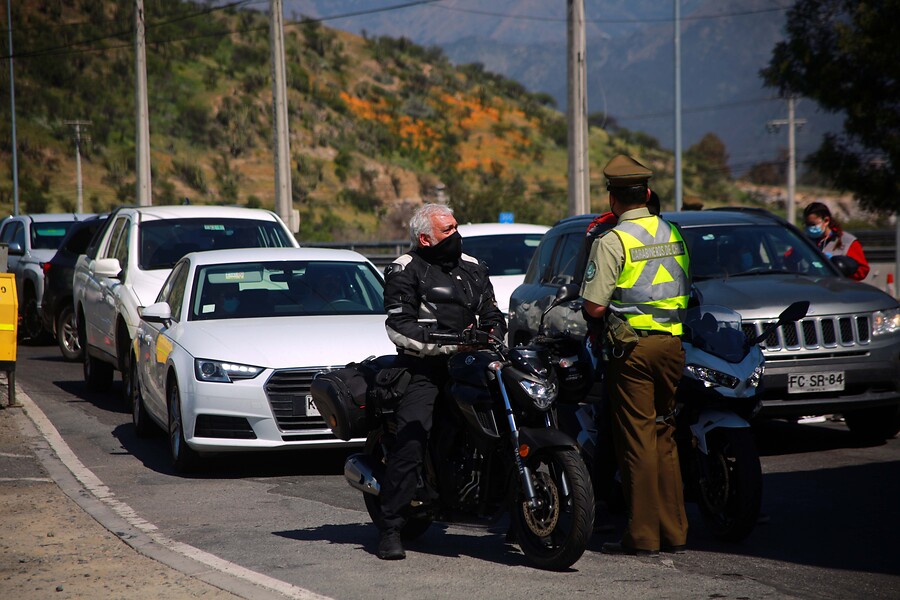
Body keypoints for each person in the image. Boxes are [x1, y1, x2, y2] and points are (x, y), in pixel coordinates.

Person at [377, 202, 506, 560]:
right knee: (413, 435)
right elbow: (398, 325)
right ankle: (391, 526)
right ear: (425, 238)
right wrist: (444, 342)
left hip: (472, 362)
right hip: (425, 367)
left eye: (455, 227)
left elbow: (493, 313)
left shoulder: (474, 268)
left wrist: (493, 334)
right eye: (447, 230)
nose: (456, 234)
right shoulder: (406, 269)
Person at [580, 155, 691, 557]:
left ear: (613, 198)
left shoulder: (613, 240)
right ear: (646, 193)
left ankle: (643, 535)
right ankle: (675, 530)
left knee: (638, 440)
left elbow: (593, 307)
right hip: (673, 346)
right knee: (665, 435)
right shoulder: (674, 233)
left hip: (634, 351)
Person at [803, 201, 870, 281]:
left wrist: (839, 269)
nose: (810, 228)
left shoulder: (847, 241)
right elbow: (789, 260)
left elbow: (863, 270)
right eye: (807, 224)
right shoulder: (803, 241)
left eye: (813, 224)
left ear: (826, 221)